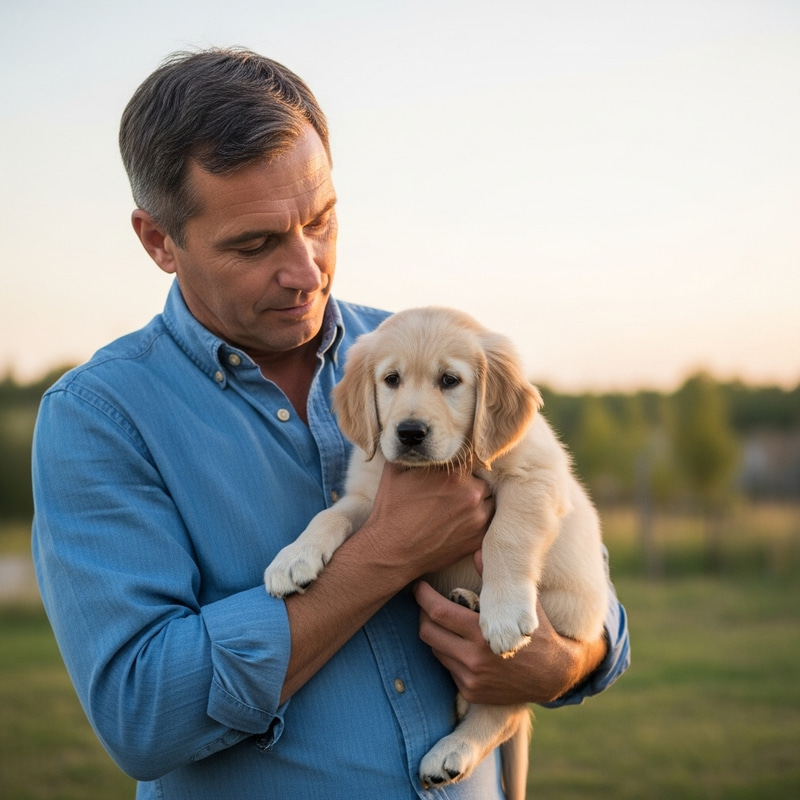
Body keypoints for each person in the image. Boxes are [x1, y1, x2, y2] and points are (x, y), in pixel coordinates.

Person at [31, 48, 629, 800]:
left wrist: (568, 661)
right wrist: (381, 553)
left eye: (321, 221)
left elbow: (579, 563)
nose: (308, 270)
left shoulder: (424, 349)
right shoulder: (100, 420)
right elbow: (143, 716)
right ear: (158, 241)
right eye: (255, 244)